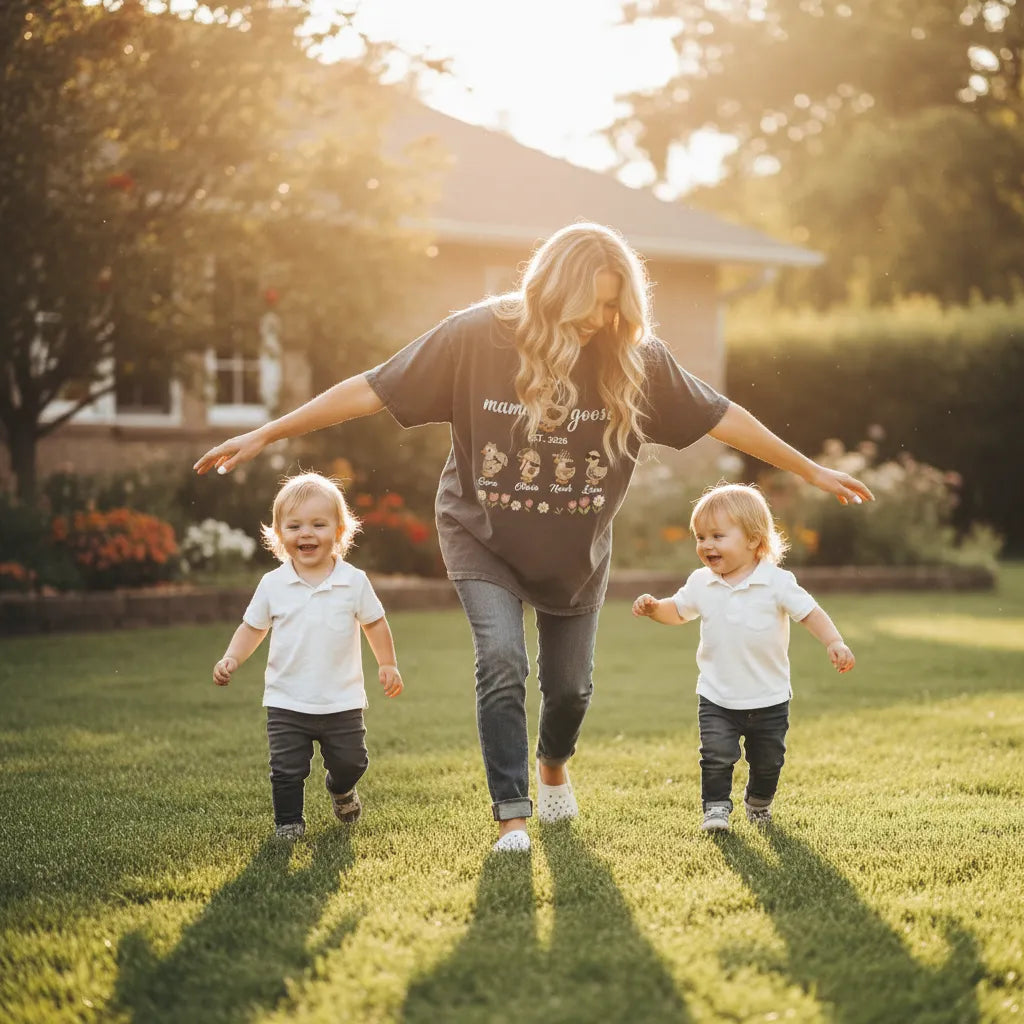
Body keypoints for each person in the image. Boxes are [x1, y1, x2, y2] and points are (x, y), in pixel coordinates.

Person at [194, 221, 872, 853]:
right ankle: (511, 815)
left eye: (613, 307)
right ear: (551, 289)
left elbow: (724, 417)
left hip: (574, 552)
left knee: (570, 689)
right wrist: (267, 432)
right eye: (590, 304)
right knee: (501, 659)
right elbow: (372, 389)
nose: (599, 320)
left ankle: (552, 767)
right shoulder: (477, 335)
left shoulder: (634, 359)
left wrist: (809, 469)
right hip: (480, 533)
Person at [632, 482, 856, 833]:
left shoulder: (776, 582)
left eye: (718, 536)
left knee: (768, 762)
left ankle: (758, 802)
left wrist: (834, 641)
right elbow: (677, 611)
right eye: (701, 536)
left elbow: (810, 612)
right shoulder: (701, 582)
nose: (706, 545)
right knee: (716, 755)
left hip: (769, 697)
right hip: (717, 695)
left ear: (753, 539)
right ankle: (716, 809)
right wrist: (654, 608)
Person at [211, 471, 404, 839]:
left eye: (318, 524)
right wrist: (231, 658)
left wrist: (388, 663)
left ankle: (341, 787)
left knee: (352, 762)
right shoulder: (273, 584)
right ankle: (289, 822)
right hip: (287, 699)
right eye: (295, 525)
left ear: (339, 531)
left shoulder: (353, 581)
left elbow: (375, 623)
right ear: (280, 533)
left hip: (341, 700)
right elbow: (253, 628)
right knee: (286, 769)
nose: (307, 533)